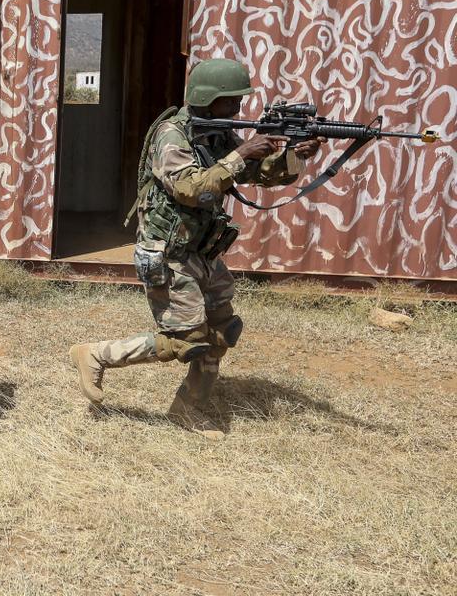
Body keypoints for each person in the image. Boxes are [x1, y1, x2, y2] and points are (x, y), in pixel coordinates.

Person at [68, 58, 322, 439]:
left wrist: (293, 156)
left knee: (223, 330)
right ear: (207, 99)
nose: (238, 109)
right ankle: (97, 354)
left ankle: (188, 409)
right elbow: (191, 189)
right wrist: (242, 154)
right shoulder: (172, 136)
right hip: (168, 254)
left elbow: (258, 176)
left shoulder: (218, 133)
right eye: (230, 101)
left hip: (203, 251)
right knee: (186, 340)